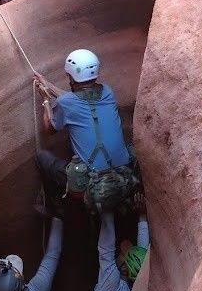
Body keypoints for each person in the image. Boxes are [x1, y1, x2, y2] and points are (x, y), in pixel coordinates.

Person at [34, 48, 132, 205]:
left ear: (71, 76)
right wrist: (49, 86)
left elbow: (50, 129)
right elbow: (77, 100)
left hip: (92, 183)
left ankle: (56, 205)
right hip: (123, 176)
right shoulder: (107, 92)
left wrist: (46, 101)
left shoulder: (66, 103)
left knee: (42, 157)